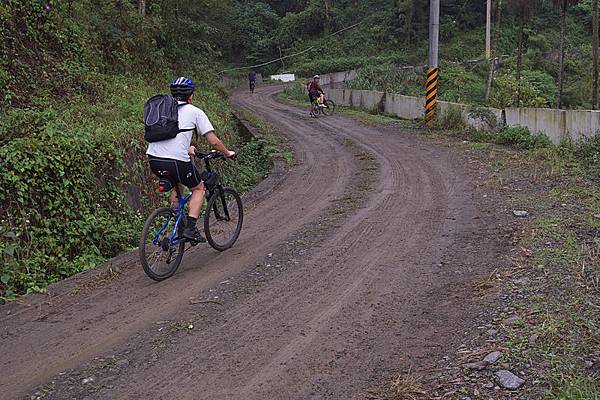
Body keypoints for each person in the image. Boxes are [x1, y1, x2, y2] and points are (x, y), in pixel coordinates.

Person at [146, 77, 235, 242]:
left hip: (154, 159)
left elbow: (169, 136)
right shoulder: (195, 112)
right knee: (198, 188)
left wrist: (187, 148)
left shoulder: (164, 111)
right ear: (191, 96)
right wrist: (226, 152)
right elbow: (214, 141)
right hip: (176, 161)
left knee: (177, 185)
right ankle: (191, 228)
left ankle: (174, 221)